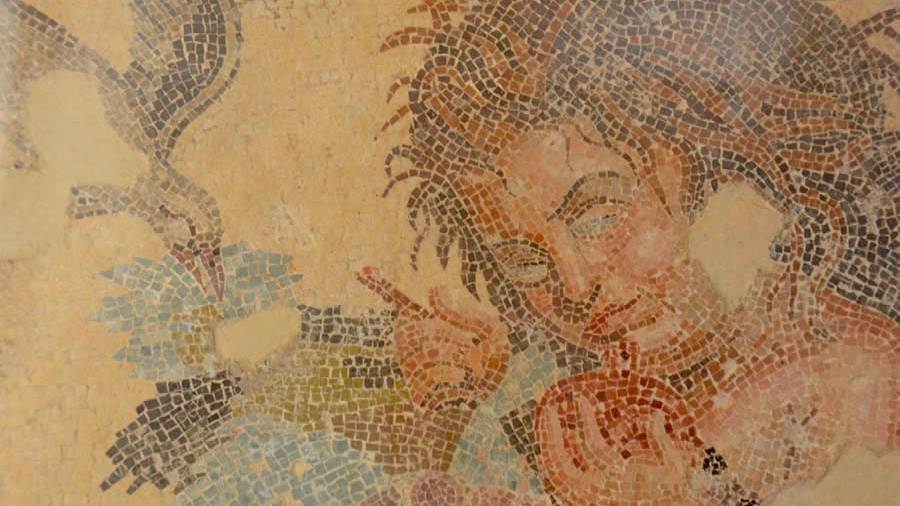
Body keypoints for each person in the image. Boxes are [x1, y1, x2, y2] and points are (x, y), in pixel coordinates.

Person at [366, 0, 899, 504]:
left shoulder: (859, 382)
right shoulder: (578, 414)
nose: (576, 288)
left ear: (716, 166)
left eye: (600, 216)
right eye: (525, 263)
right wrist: (460, 405)